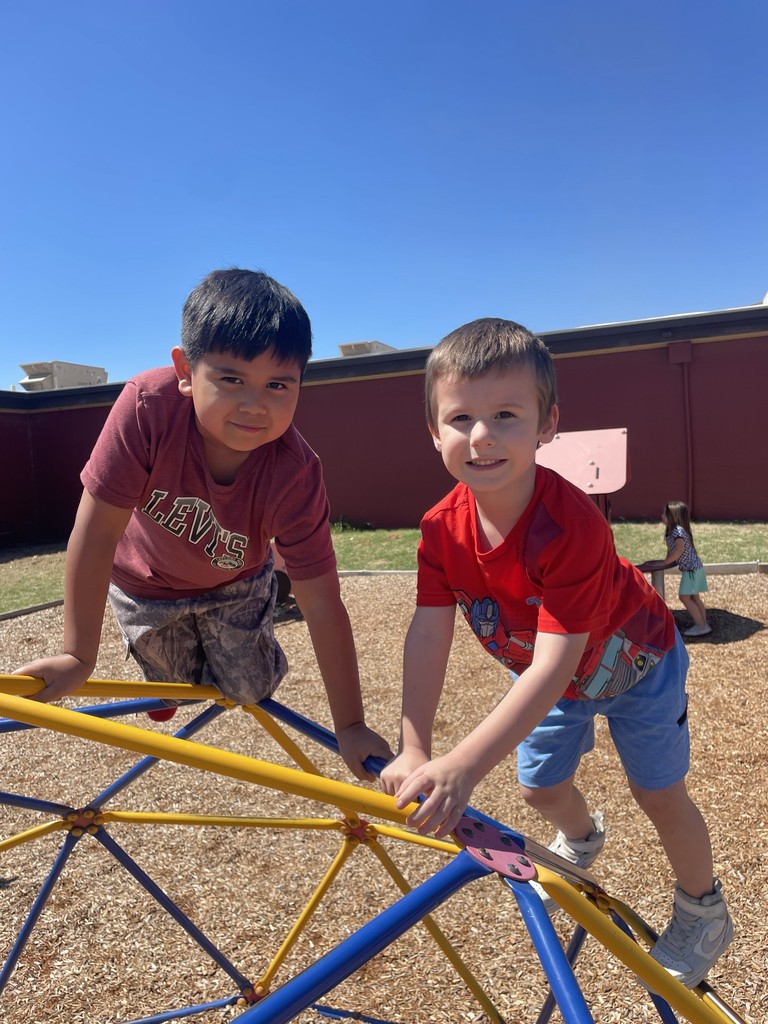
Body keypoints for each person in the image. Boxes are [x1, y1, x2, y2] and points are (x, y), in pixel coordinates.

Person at [380, 318, 733, 989]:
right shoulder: (437, 530)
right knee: (539, 787)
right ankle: (585, 836)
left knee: (658, 793)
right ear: (433, 431)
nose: (481, 435)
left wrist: (462, 765)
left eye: (506, 415)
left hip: (639, 664)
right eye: (460, 417)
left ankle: (703, 910)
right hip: (557, 680)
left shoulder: (570, 525)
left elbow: (553, 662)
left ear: (547, 425)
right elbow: (429, 631)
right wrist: (416, 745)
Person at [14, 268, 391, 780]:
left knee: (248, 689)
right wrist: (77, 656)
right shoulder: (149, 408)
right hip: (145, 584)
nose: (255, 404)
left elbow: (322, 600)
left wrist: (350, 724)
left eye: (278, 384)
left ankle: (245, 637)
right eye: (232, 379)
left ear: (302, 384)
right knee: (170, 684)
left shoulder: (295, 472)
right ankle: (164, 687)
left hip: (235, 583)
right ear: (186, 372)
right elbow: (97, 531)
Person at [637, 502, 711, 637]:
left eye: (665, 514)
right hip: (695, 568)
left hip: (691, 570)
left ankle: (701, 626)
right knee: (694, 597)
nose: (662, 516)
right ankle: (704, 623)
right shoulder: (672, 531)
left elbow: (679, 550)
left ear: (674, 517)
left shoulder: (678, 531)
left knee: (685, 597)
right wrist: (664, 562)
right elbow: (672, 551)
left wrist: (666, 562)